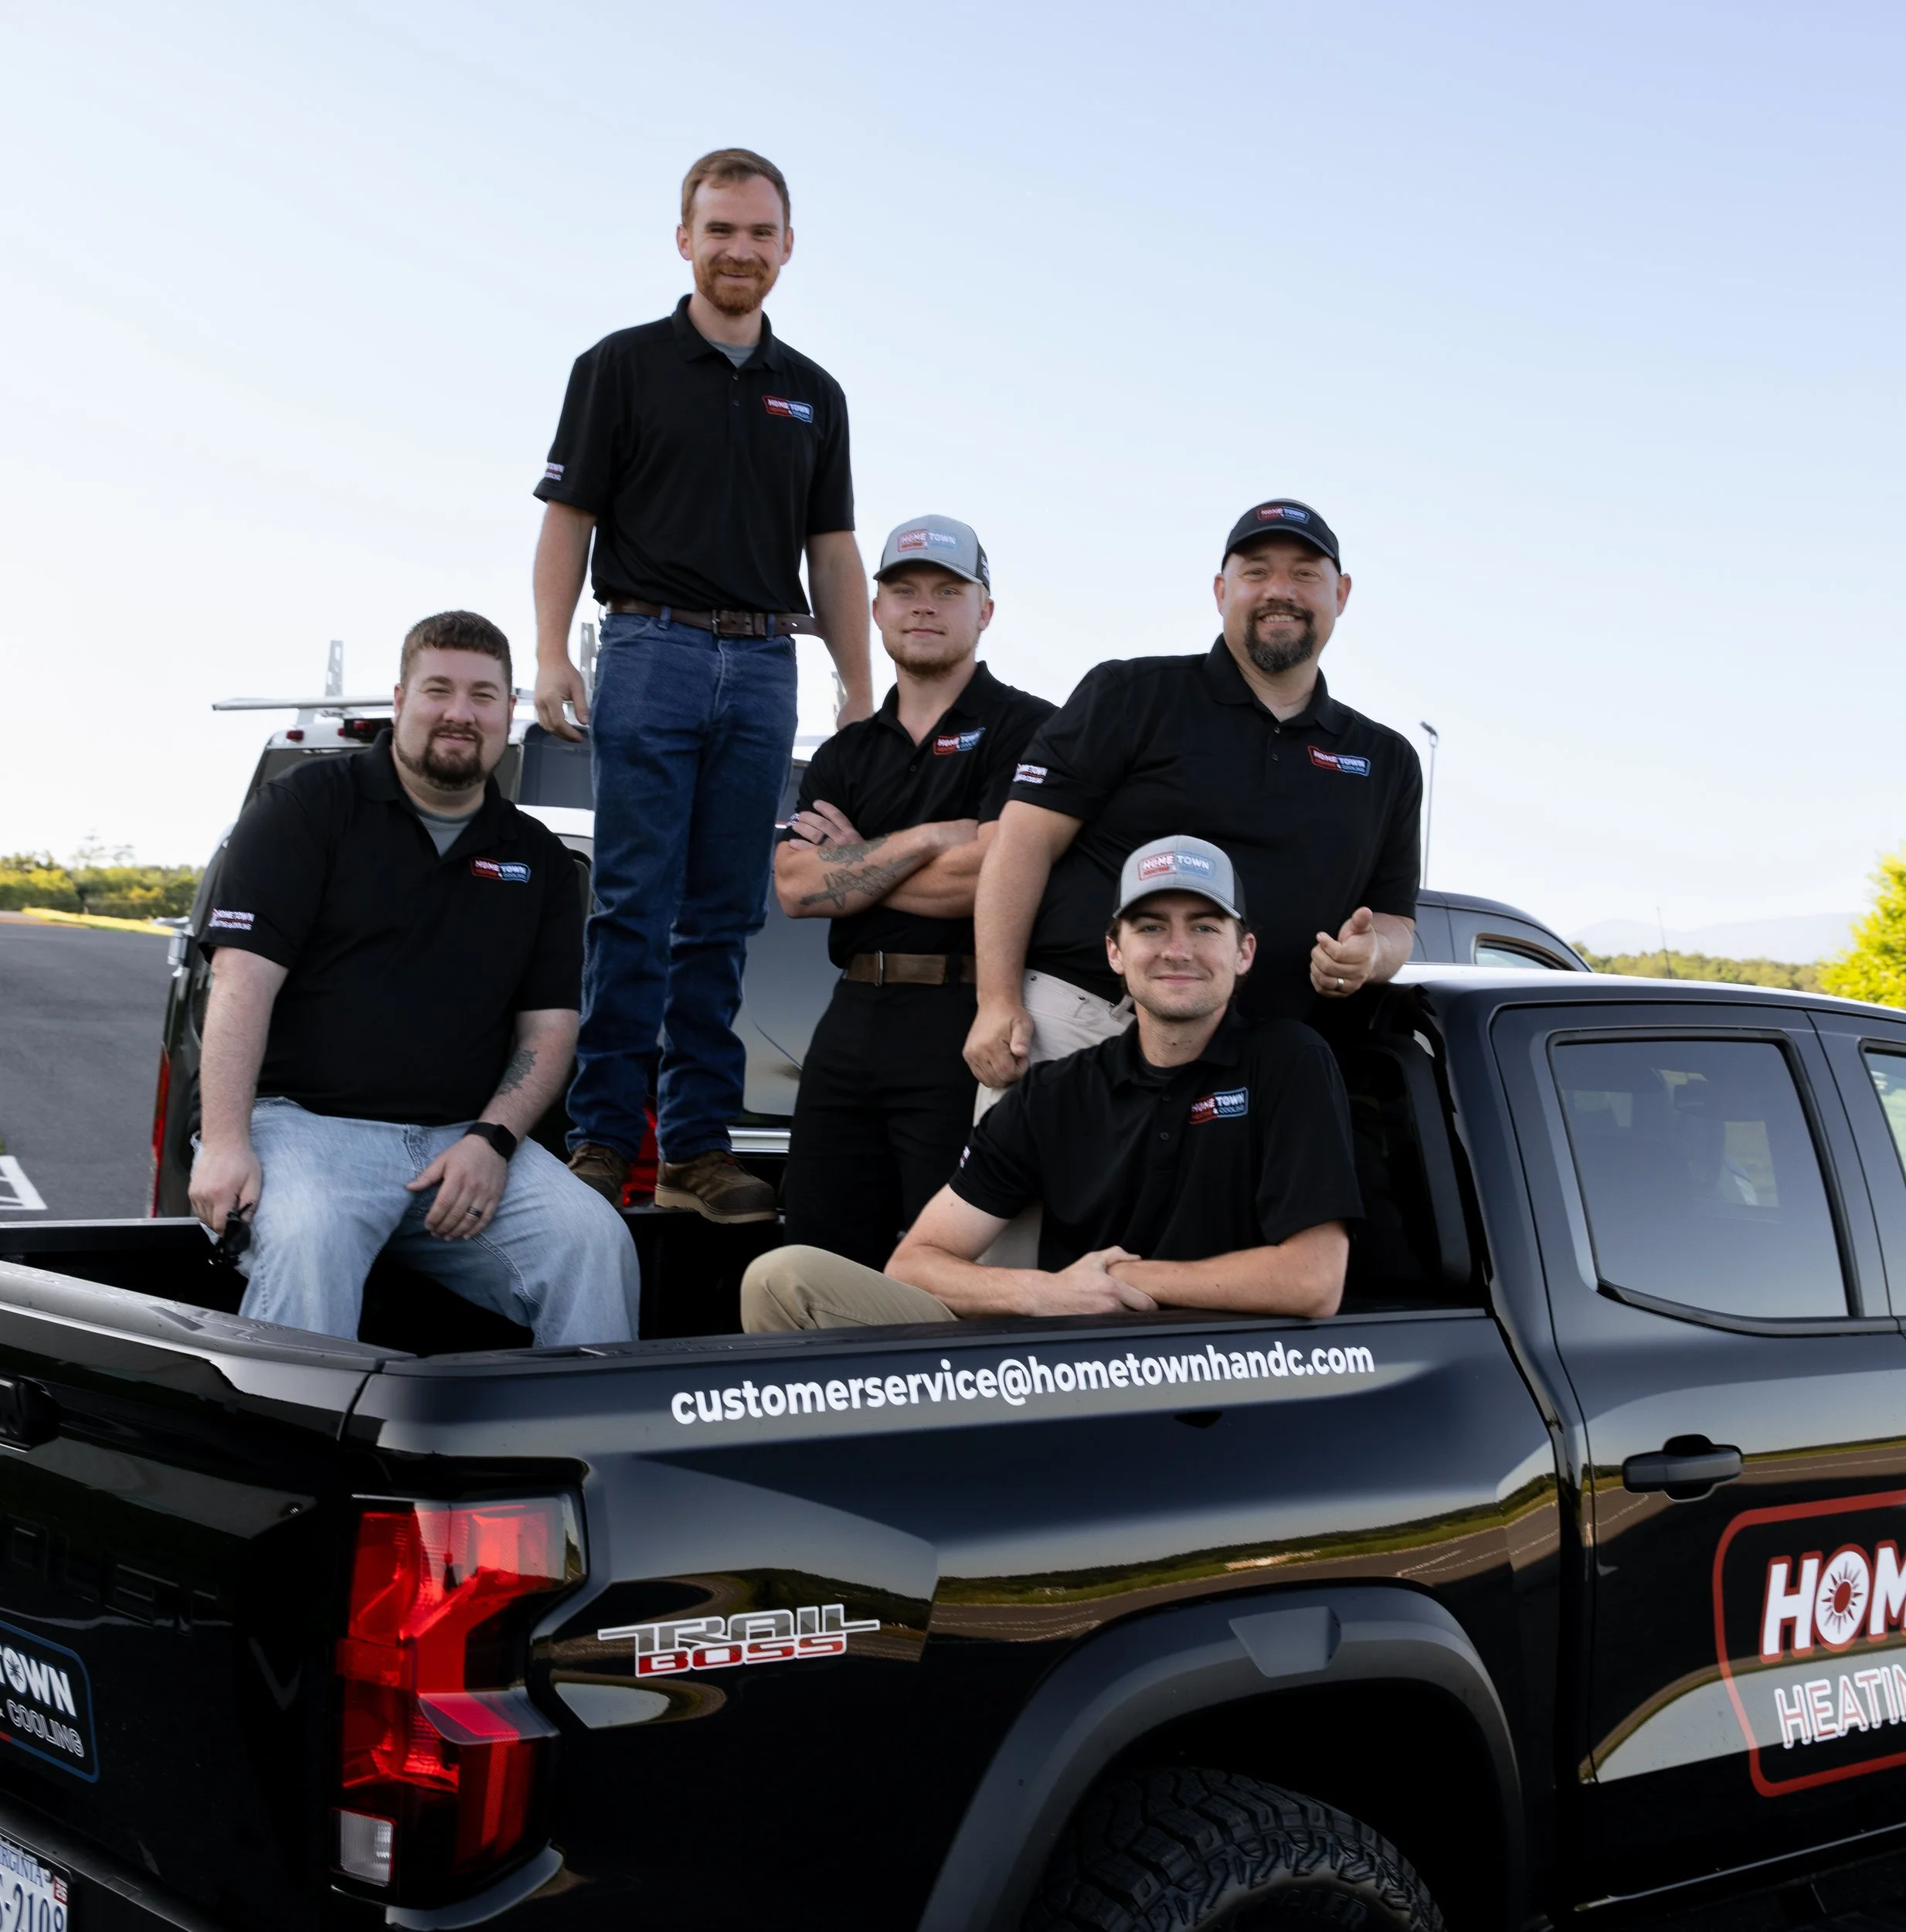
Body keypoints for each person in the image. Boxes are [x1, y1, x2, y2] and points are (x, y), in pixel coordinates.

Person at [531, 147, 872, 1223]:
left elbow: (835, 550)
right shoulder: (619, 366)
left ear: (786, 248)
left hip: (767, 661)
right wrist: (550, 653)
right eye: (720, 230)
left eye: (760, 233)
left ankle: (695, 1150)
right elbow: (567, 522)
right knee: (633, 906)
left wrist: (859, 689)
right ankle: (599, 1142)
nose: (740, 250)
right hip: (650, 649)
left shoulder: (813, 396)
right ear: (685, 238)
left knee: (724, 920)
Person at [958, 498, 1420, 1264]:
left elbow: (1399, 919)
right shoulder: (1131, 694)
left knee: (1179, 1293)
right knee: (1010, 1268)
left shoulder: (1386, 760)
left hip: (1241, 1064)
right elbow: (1020, 844)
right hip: (1075, 1026)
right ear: (1219, 590)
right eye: (1257, 572)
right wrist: (997, 997)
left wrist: (1368, 959)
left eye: (1305, 574)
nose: (1281, 590)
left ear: (1340, 595)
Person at [186, 611, 638, 1347]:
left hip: (461, 1140)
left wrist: (492, 1141)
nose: (461, 714)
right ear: (400, 700)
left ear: (507, 711)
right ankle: (295, 1458)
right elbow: (241, 983)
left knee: (594, 1242)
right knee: (309, 1238)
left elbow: (549, 1026)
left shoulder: (541, 862)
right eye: (439, 690)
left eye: (484, 696)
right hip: (304, 1129)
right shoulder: (304, 810)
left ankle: (580, 1462)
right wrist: (226, 1141)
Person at [742, 836, 1361, 1329]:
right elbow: (918, 1263)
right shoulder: (1056, 1090)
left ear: (1244, 951)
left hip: (1223, 1374)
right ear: (1115, 952)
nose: (1177, 949)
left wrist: (1128, 1281)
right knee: (783, 1278)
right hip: (1064, 1368)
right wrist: (1048, 1294)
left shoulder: (1287, 1060)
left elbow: (1313, 1281)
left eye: (1204, 927)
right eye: (1149, 927)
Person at [773, 516, 1054, 1267]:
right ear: (877, 611)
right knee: (818, 1259)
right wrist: (932, 837)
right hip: (849, 1020)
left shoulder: (1031, 730)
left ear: (984, 610)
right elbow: (797, 888)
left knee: (951, 1275)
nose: (922, 606)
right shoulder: (844, 752)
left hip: (962, 1023)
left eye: (946, 590)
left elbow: (995, 874)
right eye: (903, 590)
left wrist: (856, 871)